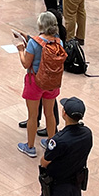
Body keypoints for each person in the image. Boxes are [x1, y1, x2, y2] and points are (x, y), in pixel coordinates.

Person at [16, 12, 64, 158]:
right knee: (49, 114)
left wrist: (21, 51)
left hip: (35, 82)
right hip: (52, 82)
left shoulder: (34, 43)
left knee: (32, 116)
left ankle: (30, 147)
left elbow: (26, 64)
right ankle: (51, 143)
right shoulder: (58, 42)